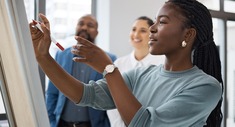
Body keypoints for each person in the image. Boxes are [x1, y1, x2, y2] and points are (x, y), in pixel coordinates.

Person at [29, 0, 223, 126]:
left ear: (187, 35)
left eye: (162, 22)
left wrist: (108, 69)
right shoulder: (141, 75)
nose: (153, 29)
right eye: (155, 21)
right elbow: (85, 95)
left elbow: (145, 124)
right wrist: (43, 57)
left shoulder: (206, 86)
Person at [45, 14, 116, 127]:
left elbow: (113, 96)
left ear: (97, 32)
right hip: (62, 123)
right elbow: (52, 92)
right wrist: (51, 121)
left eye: (90, 25)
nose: (84, 27)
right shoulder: (61, 55)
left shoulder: (109, 59)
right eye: (81, 23)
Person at [107, 16, 164, 127]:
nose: (136, 35)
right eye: (134, 29)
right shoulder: (119, 64)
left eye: (142, 31)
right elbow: (112, 101)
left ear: (152, 34)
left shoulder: (162, 64)